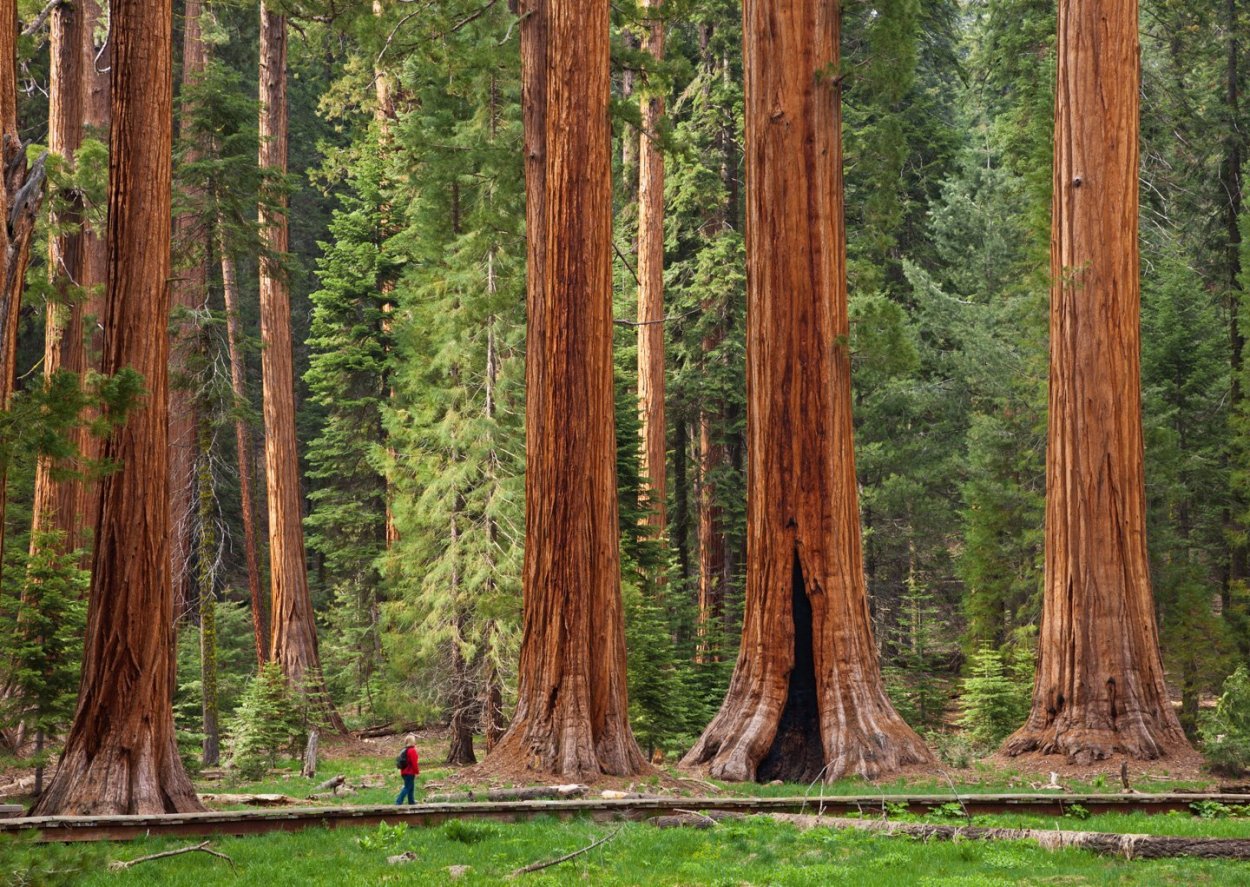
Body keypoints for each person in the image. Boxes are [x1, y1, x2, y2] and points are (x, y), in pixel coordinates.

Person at [395, 734, 420, 805]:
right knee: (407, 787)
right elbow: (414, 763)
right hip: (410, 772)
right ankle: (398, 801)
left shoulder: (405, 750)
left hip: (404, 772)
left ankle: (411, 801)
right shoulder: (412, 751)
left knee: (411, 787)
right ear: (413, 741)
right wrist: (417, 772)